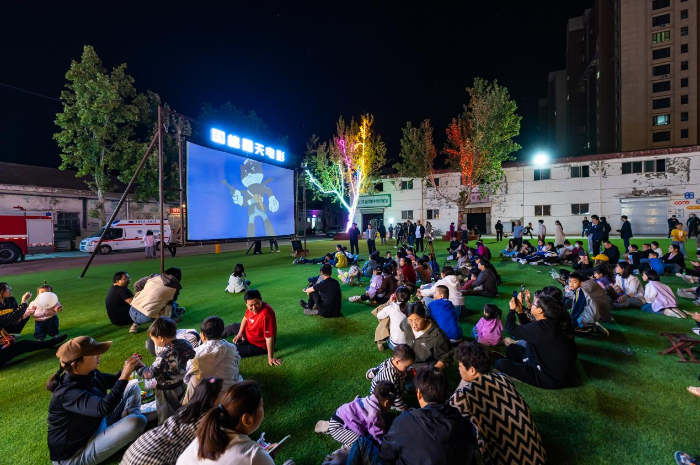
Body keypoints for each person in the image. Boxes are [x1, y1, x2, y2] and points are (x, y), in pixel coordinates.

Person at [344, 367, 475, 465]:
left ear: (419, 394)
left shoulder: (404, 421)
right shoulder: (464, 422)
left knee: (362, 442)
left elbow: (386, 455)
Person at [46, 336, 147, 465]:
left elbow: (114, 380)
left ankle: (126, 429)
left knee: (132, 387)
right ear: (76, 364)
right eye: (93, 353)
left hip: (96, 424)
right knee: (137, 421)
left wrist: (128, 366)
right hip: (76, 453)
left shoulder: (90, 373)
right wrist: (124, 375)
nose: (98, 355)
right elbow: (103, 408)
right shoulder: (67, 393)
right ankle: (127, 427)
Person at [449, 343, 547, 465]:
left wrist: (463, 384)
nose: (459, 370)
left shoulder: (464, 394)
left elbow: (446, 411)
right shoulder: (503, 377)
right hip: (538, 457)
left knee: (458, 426)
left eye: (460, 366)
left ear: (472, 370)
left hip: (505, 460)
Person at [121, 378, 224, 465]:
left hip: (138, 448)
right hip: (149, 459)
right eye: (221, 393)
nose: (223, 395)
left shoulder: (186, 409)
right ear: (213, 398)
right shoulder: (207, 419)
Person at [177, 381, 283, 465]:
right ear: (246, 419)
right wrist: (263, 459)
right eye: (261, 406)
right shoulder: (252, 454)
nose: (263, 410)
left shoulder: (205, 437)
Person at [495, 292, 576, 389]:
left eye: (533, 304)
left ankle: (517, 373)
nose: (531, 305)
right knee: (512, 348)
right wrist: (520, 312)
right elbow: (528, 328)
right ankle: (518, 369)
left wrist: (511, 310)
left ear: (540, 310)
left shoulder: (541, 328)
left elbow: (510, 329)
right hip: (542, 362)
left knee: (499, 363)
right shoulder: (550, 322)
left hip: (548, 377)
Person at [137, 317, 196, 425]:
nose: (153, 342)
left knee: (166, 416)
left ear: (160, 338)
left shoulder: (164, 354)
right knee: (180, 409)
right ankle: (182, 425)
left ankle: (168, 431)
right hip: (181, 383)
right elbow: (192, 354)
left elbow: (150, 373)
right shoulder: (185, 343)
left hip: (166, 390)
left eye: (153, 340)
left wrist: (139, 367)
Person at [314, 381, 397, 449]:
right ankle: (345, 449)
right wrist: (384, 444)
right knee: (362, 442)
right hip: (338, 427)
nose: (391, 406)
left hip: (340, 416)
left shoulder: (370, 400)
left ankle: (331, 426)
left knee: (364, 433)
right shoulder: (373, 414)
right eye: (392, 404)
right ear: (386, 403)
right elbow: (377, 433)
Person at [183, 316, 242, 404]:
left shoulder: (196, 353)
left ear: (203, 335)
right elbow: (236, 362)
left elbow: (186, 372)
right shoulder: (231, 347)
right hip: (230, 391)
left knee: (193, 377)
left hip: (204, 395)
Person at [223, 289, 282, 365]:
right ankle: (211, 335)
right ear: (246, 304)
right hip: (249, 333)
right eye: (251, 305)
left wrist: (270, 357)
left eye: (256, 304)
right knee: (234, 326)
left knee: (231, 349)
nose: (254, 308)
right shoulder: (250, 307)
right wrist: (240, 333)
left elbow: (269, 337)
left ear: (261, 299)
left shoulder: (266, 314)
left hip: (259, 346)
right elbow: (245, 319)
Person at [129, 267, 184, 334]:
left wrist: (140, 296)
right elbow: (170, 303)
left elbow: (137, 284)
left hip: (131, 310)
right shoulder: (175, 289)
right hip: (146, 317)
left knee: (145, 306)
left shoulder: (154, 277)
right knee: (171, 306)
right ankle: (172, 319)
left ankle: (135, 325)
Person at [400, 302, 453, 369]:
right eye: (410, 320)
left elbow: (445, 358)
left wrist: (431, 371)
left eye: (417, 320)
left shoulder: (438, 336)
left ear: (424, 317)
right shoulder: (406, 323)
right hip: (409, 362)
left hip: (426, 368)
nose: (414, 325)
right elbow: (402, 326)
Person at [365, 344, 415, 411]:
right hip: (381, 395)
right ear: (398, 361)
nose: (408, 368)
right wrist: (402, 408)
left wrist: (369, 374)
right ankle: (392, 405)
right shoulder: (391, 377)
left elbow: (377, 369)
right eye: (407, 367)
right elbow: (397, 395)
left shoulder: (390, 361)